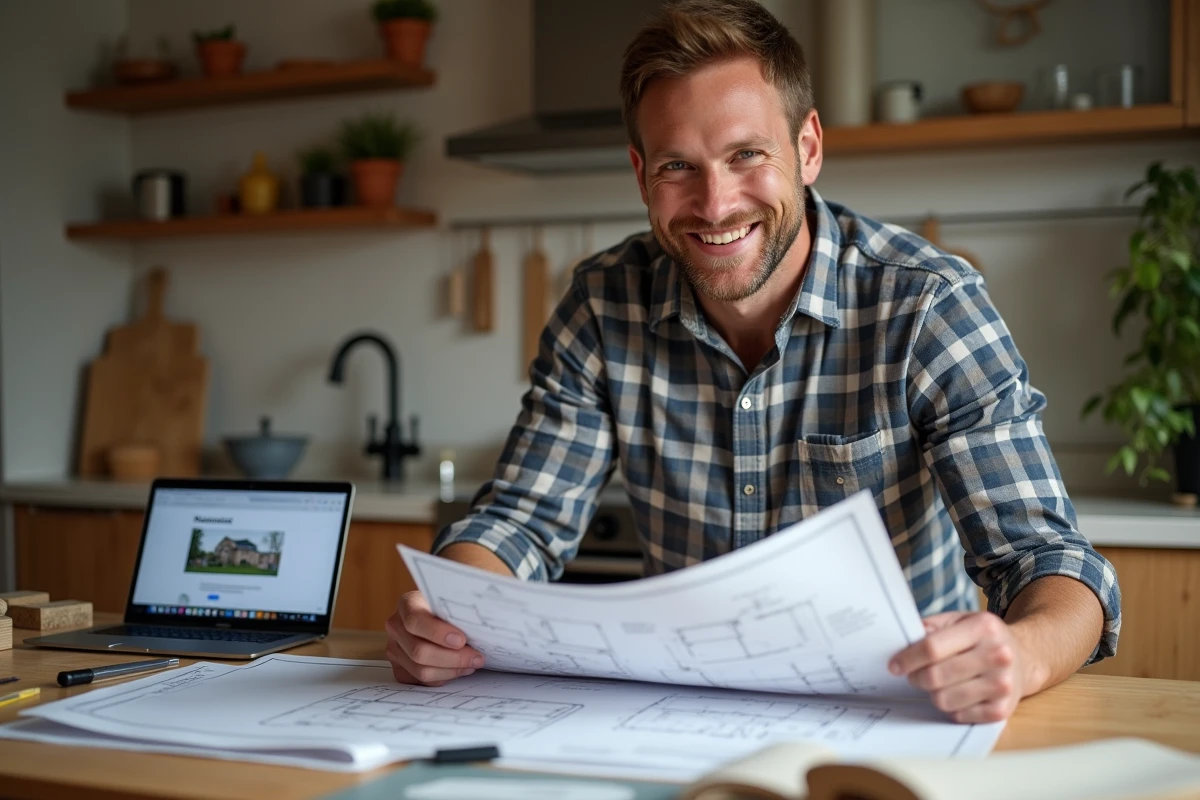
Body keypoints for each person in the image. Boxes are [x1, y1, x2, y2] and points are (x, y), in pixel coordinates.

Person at [385, 0, 1120, 723]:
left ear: (807, 149)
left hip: (897, 716)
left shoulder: (927, 306)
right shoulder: (603, 304)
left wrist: (1019, 654)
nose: (715, 203)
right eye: (679, 165)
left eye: (747, 155)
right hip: (676, 716)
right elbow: (520, 521)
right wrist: (451, 614)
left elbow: (1047, 561)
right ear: (642, 175)